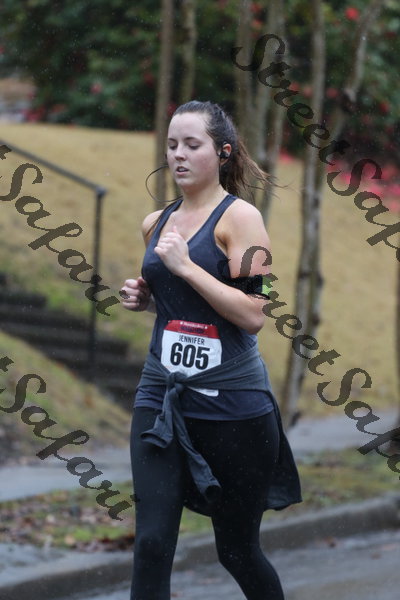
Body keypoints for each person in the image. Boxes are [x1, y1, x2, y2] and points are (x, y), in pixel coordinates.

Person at [120, 100, 301, 600]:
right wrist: (147, 299)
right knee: (151, 544)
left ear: (222, 152)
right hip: (162, 397)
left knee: (237, 550)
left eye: (191, 144)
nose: (178, 154)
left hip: (233, 406)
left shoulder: (243, 219)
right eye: (172, 145)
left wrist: (185, 268)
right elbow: (183, 307)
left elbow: (254, 313)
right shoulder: (155, 222)